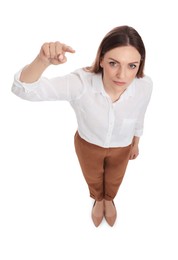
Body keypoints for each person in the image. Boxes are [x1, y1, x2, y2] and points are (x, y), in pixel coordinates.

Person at [11, 25, 153, 227]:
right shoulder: (80, 84)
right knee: (93, 178)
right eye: (114, 63)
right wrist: (42, 61)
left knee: (115, 179)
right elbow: (23, 90)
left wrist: (136, 142)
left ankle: (109, 198)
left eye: (132, 66)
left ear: (140, 65)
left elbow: (140, 114)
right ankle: (98, 198)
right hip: (88, 145)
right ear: (102, 59)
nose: (122, 75)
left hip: (123, 146)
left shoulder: (145, 85)